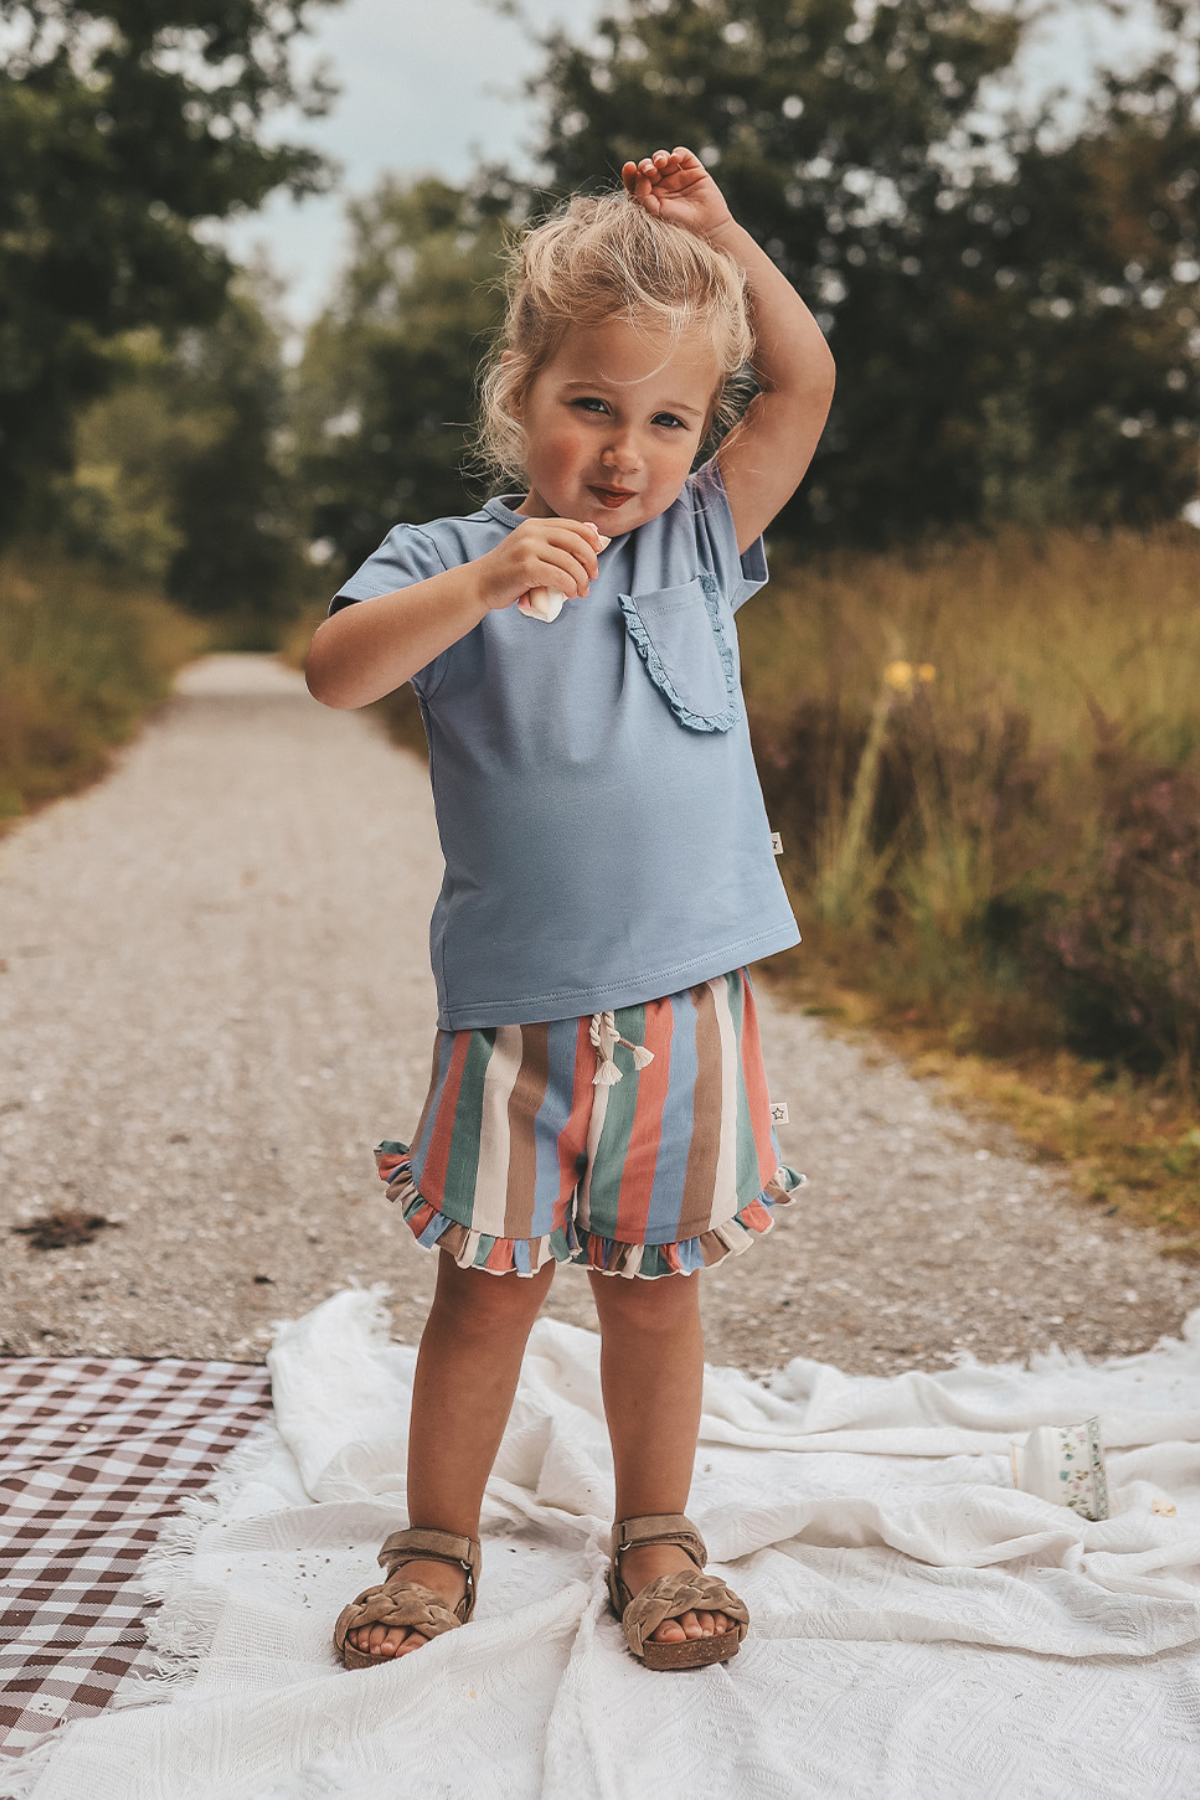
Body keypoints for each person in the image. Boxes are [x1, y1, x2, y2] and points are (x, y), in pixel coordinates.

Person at [306, 146, 835, 1673]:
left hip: (688, 1001)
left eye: (666, 419)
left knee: (654, 1297)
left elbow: (798, 388)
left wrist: (726, 235)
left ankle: (656, 1536)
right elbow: (335, 669)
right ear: (520, 397)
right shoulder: (438, 563)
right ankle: (434, 1546)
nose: (626, 451)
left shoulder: (697, 543)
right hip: (515, 1013)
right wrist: (478, 588)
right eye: (591, 405)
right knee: (484, 1293)